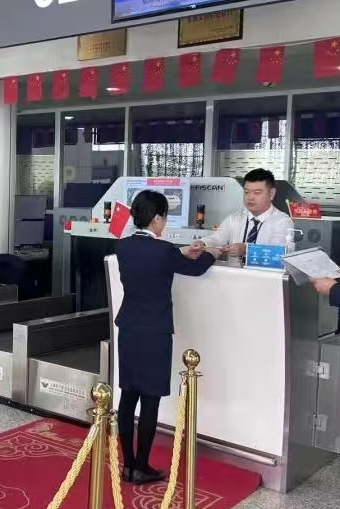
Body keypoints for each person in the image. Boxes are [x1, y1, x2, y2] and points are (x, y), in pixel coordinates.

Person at [115, 190, 219, 485]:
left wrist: (181, 251)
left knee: (128, 396)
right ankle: (142, 466)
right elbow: (195, 269)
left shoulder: (123, 246)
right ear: (157, 219)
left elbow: (160, 258)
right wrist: (213, 252)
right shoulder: (163, 251)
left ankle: (128, 465)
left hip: (129, 329)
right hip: (155, 333)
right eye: (165, 217)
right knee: (150, 399)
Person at [195, 168, 293, 256]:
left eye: (257, 193)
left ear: (271, 194)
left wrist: (247, 249)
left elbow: (278, 252)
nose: (250, 197)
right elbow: (218, 238)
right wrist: (202, 243)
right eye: (246, 192)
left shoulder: (282, 221)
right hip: (234, 270)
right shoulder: (235, 218)